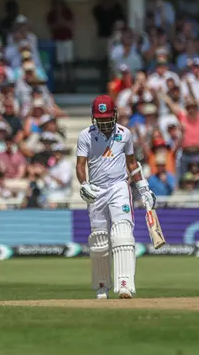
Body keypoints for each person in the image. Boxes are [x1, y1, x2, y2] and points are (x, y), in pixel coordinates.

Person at [76, 95, 156, 300]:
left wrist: (144, 188)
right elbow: (80, 165)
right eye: (100, 119)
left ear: (115, 115)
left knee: (122, 234)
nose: (104, 123)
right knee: (99, 241)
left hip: (119, 187)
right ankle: (102, 286)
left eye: (107, 119)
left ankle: (124, 285)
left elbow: (131, 164)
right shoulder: (85, 135)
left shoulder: (125, 134)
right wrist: (84, 185)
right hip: (96, 189)